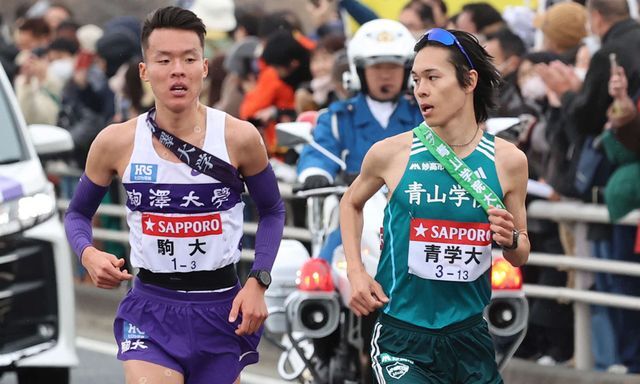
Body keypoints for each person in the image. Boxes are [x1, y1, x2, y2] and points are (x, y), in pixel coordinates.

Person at [63, 7, 285, 384]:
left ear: (204, 67)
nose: (177, 70)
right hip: (149, 307)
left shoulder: (239, 137)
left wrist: (257, 281)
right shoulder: (115, 142)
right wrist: (88, 253)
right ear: (145, 71)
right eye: (164, 60)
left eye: (188, 58)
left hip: (221, 308)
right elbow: (76, 214)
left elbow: (273, 210)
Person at [340, 28, 530, 383]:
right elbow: (350, 202)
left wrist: (511, 239)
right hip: (402, 335)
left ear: (469, 80)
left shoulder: (508, 161)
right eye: (415, 79)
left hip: (470, 336)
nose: (420, 90)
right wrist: (355, 271)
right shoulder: (390, 153)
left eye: (432, 77)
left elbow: (521, 253)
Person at [297, 18, 423, 262]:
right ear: (359, 71)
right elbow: (320, 151)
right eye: (376, 67)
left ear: (407, 71)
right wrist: (316, 173)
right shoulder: (338, 117)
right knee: (322, 271)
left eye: (394, 67)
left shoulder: (424, 115)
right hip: (356, 209)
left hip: (417, 211)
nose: (385, 75)